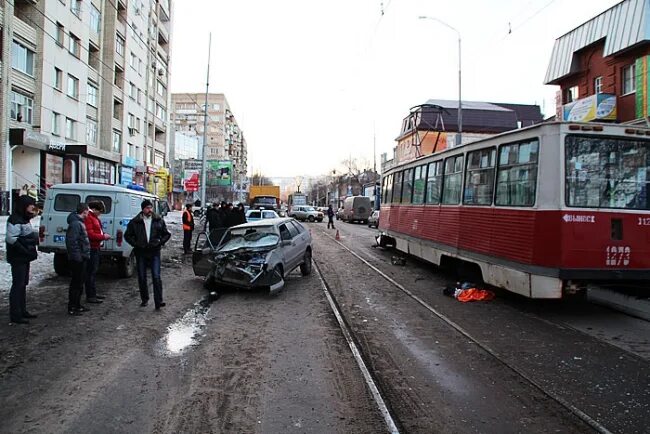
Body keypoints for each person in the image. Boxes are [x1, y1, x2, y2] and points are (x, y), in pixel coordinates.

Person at [124, 199, 171, 310]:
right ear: (143, 209)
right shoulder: (135, 222)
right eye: (147, 208)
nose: (149, 210)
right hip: (141, 252)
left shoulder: (158, 220)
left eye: (151, 207)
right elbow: (127, 236)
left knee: (156, 276)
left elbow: (167, 234)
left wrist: (160, 242)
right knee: (142, 276)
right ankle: (144, 299)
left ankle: (158, 301)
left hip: (154, 252)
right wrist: (136, 244)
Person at [5, 195, 39, 324]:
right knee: (18, 285)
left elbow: (26, 235)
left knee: (23, 284)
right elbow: (12, 239)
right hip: (18, 258)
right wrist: (25, 249)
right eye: (31, 205)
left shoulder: (24, 219)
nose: (33, 208)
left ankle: (22, 310)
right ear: (25, 206)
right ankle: (16, 314)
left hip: (24, 257)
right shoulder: (15, 219)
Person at [66, 203, 91, 316]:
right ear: (84, 211)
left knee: (80, 283)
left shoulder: (78, 223)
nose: (88, 214)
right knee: (76, 283)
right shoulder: (76, 224)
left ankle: (77, 305)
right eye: (87, 212)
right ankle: (72, 306)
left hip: (81, 257)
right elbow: (72, 242)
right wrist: (78, 257)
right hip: (78, 259)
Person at [84, 201, 111, 303]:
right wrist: (103, 236)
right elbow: (90, 234)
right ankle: (90, 295)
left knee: (93, 271)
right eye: (100, 211)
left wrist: (102, 234)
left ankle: (93, 293)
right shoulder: (89, 218)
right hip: (92, 248)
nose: (100, 214)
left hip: (96, 247)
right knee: (90, 272)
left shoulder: (93, 217)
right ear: (94, 209)